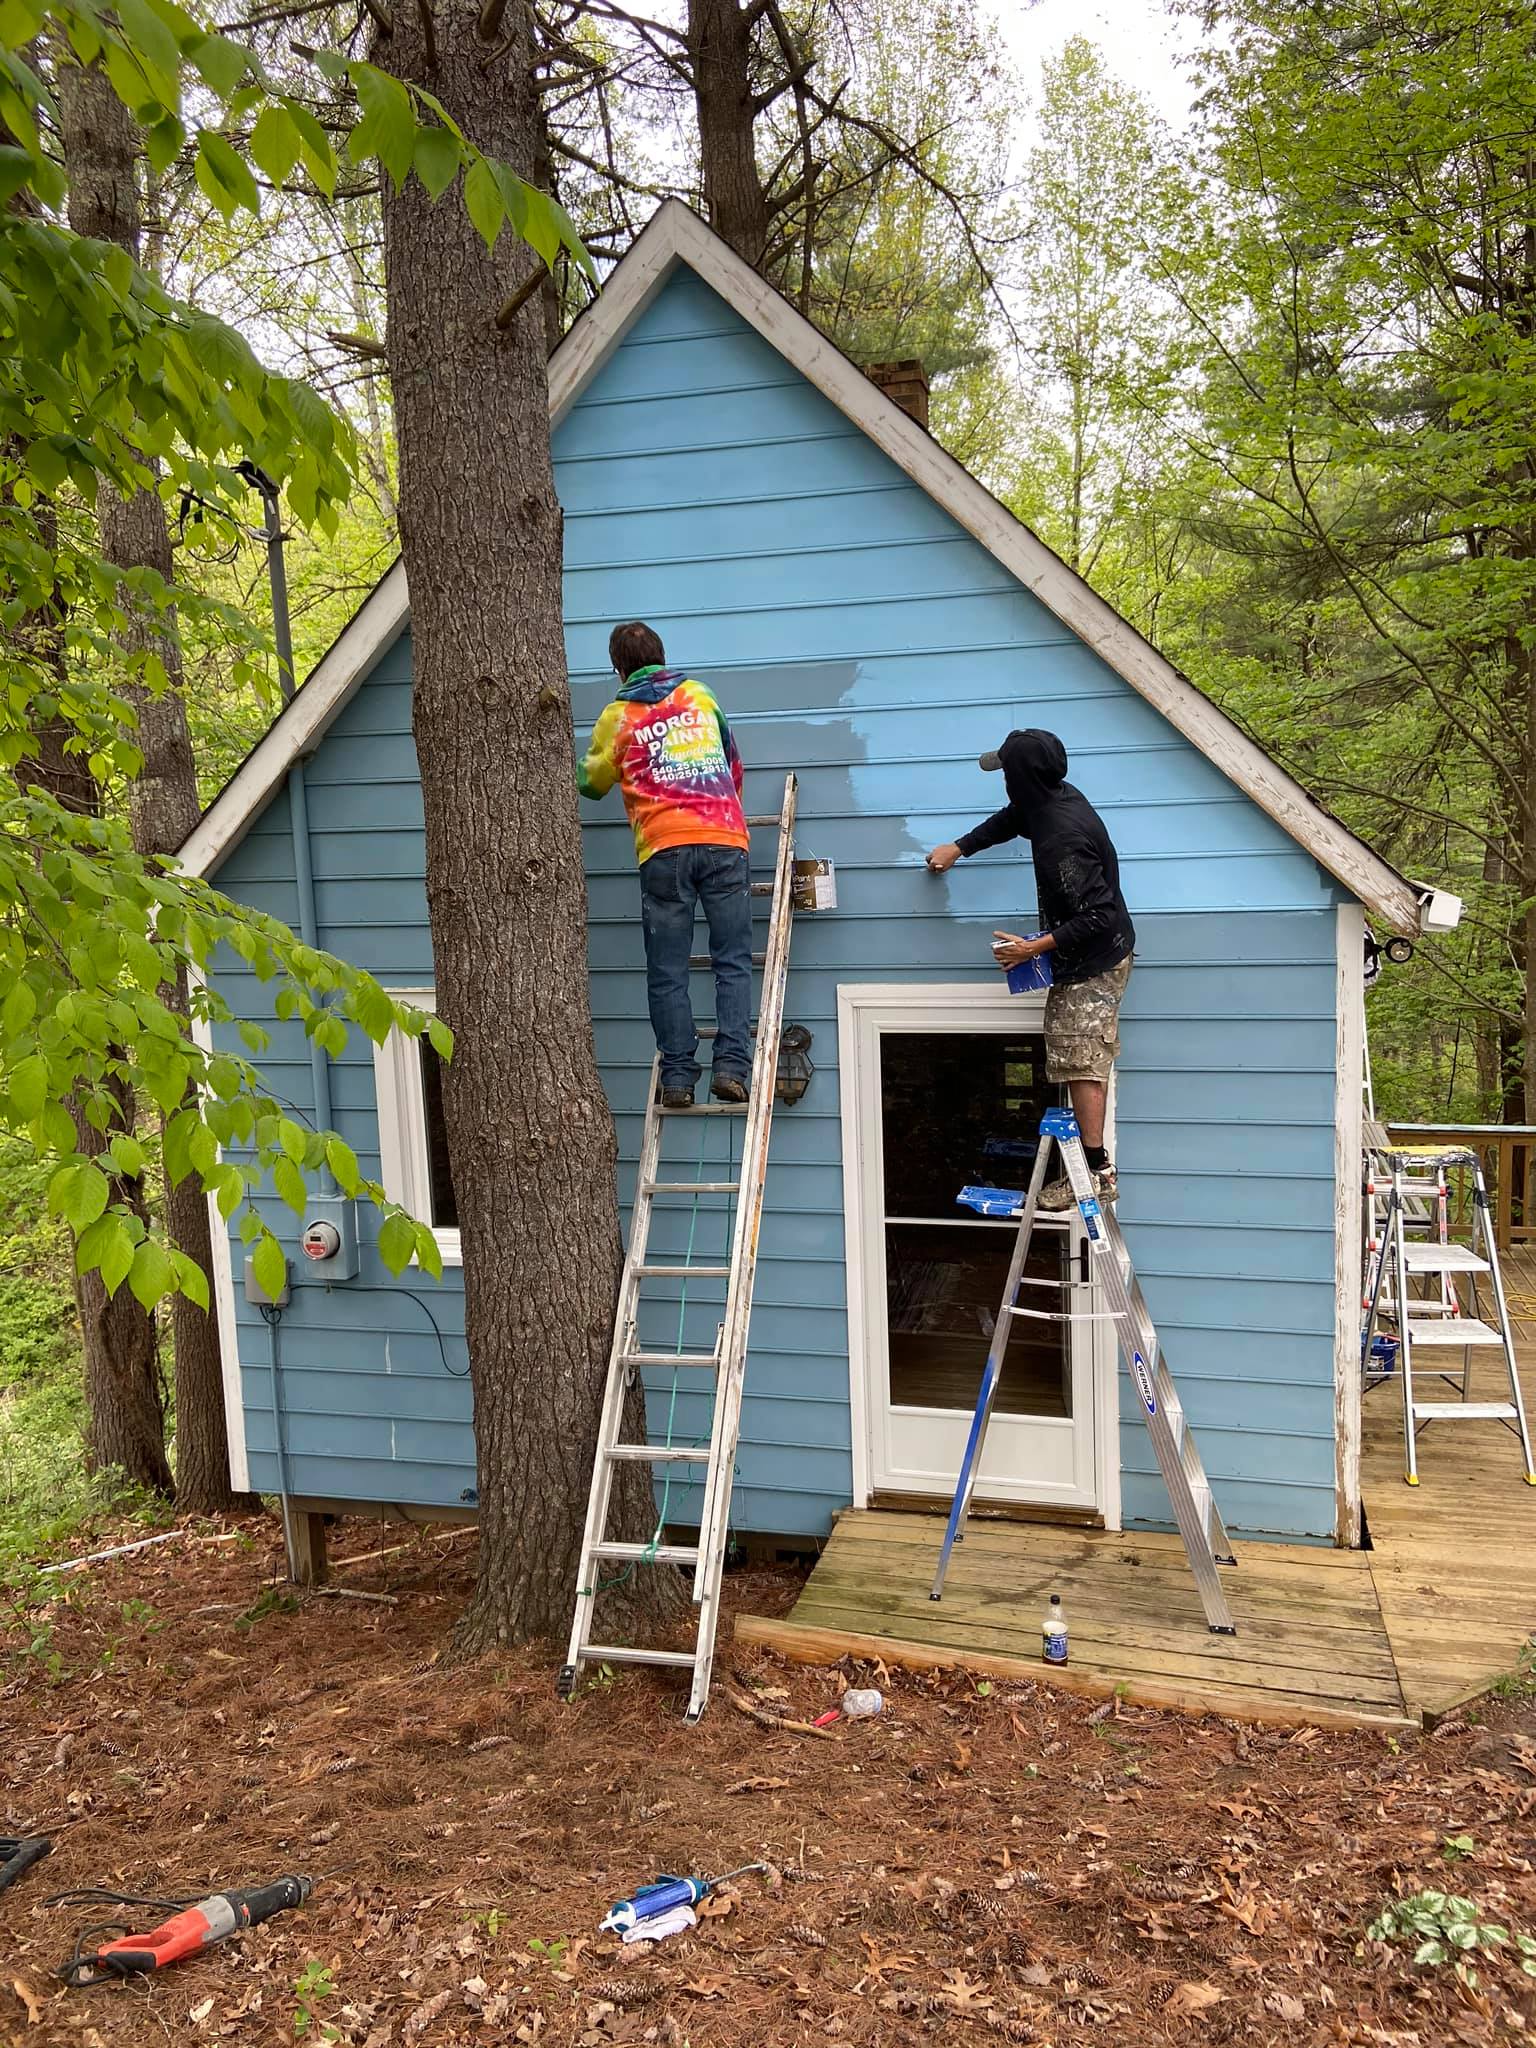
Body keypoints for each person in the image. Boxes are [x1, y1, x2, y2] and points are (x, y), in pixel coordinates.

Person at [928, 729, 1135, 1208]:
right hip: (1085, 952)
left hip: (1096, 961)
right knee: (1068, 1048)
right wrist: (959, 847)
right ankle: (1093, 1160)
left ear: (1018, 777)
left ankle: (1099, 1171)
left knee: (1081, 1059)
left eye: (1005, 770)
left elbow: (1097, 915)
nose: (1002, 778)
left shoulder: (1063, 836)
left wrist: (1031, 949)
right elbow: (1012, 818)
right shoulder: (1047, 799)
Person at [578, 622, 753, 1110]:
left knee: (668, 970)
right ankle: (732, 1069)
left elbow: (591, 783)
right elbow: (733, 764)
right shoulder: (699, 694)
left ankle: (678, 1077)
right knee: (733, 960)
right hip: (724, 839)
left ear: (618, 668)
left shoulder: (617, 716)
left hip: (663, 849)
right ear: (661, 655)